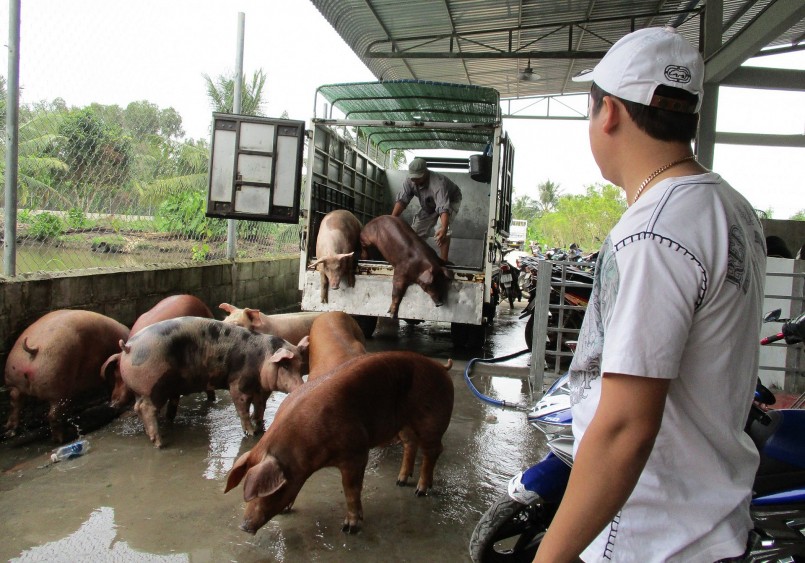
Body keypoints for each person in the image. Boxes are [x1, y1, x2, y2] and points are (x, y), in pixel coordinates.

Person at [534, 27, 767, 562]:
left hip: (649, 539)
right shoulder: (731, 208)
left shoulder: (653, 232)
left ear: (609, 113)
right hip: (711, 526)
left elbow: (625, 428)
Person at [391, 157, 462, 262]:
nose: (414, 180)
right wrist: (391, 219)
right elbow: (402, 201)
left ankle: (444, 261)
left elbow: (443, 208)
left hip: (450, 200)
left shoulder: (438, 183)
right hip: (429, 204)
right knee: (415, 233)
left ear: (425, 172)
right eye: (413, 178)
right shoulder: (410, 180)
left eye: (417, 177)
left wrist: (444, 228)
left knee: (441, 229)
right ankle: (416, 260)